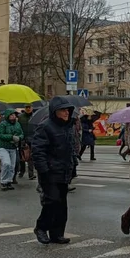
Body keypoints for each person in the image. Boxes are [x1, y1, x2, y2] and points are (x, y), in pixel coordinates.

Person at [30, 97, 77, 244]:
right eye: (62, 110)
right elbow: (38, 150)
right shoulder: (45, 126)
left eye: (68, 110)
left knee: (62, 204)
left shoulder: (68, 126)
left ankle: (57, 234)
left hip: (64, 170)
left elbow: (70, 148)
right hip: (50, 171)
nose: (66, 113)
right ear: (55, 111)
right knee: (52, 201)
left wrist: (73, 165)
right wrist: (43, 169)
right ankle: (41, 227)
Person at [0, 109, 25, 191]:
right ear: (8, 116)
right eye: (11, 115)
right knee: (6, 163)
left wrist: (19, 138)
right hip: (3, 146)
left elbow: (21, 133)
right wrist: (11, 137)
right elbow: (1, 135)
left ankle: (9, 181)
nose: (13, 117)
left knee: (12, 166)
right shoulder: (3, 124)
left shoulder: (17, 124)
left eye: (14, 115)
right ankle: (3, 181)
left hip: (13, 147)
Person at [16, 103, 35, 178]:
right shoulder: (20, 117)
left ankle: (31, 173)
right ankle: (22, 171)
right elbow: (18, 127)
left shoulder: (34, 116)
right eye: (26, 107)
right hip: (22, 138)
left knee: (31, 157)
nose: (28, 109)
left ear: (32, 108)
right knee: (22, 156)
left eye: (29, 107)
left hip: (32, 138)